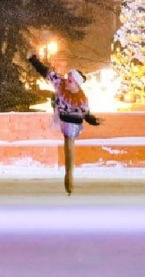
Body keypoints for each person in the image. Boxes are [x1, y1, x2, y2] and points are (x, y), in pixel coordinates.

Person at [28, 54, 101, 196]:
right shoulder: (60, 83)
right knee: (68, 143)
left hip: (74, 122)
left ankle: (69, 176)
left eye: (70, 80)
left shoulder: (81, 99)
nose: (67, 81)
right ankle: (69, 177)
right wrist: (33, 60)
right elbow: (46, 72)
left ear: (76, 84)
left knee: (69, 142)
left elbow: (86, 112)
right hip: (63, 118)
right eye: (67, 78)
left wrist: (90, 119)